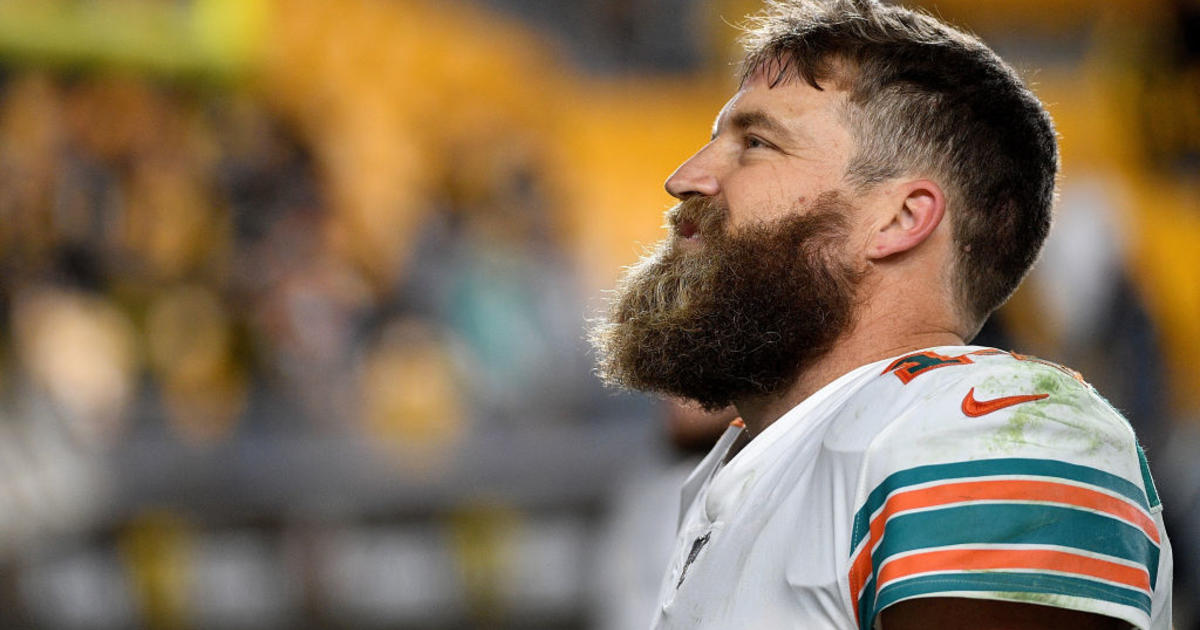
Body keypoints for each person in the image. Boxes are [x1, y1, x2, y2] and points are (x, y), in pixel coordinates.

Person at [587, 1, 1174, 628]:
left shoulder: (985, 422)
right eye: (713, 142)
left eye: (755, 143)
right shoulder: (753, 464)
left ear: (900, 219)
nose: (684, 178)